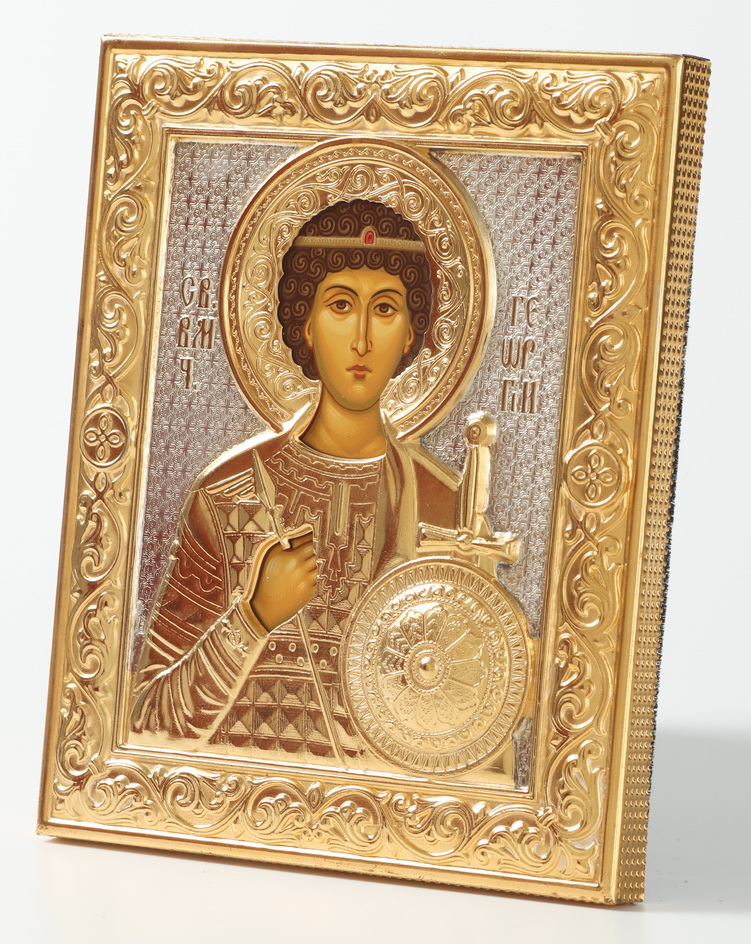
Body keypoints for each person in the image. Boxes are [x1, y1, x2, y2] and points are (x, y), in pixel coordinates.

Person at [131, 199, 463, 763]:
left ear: (411, 334)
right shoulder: (227, 496)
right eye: (341, 305)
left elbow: (464, 714)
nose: (362, 339)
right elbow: (145, 722)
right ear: (305, 323)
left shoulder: (441, 507)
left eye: (385, 309)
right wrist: (254, 616)